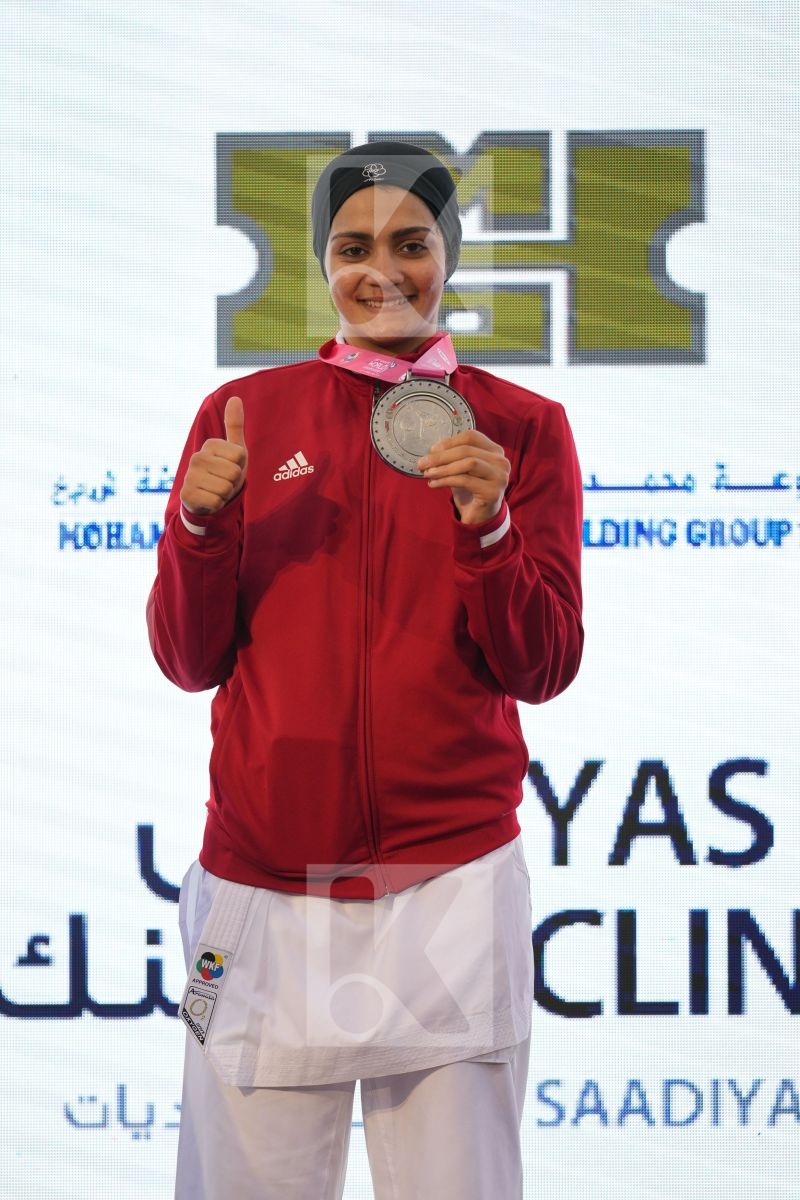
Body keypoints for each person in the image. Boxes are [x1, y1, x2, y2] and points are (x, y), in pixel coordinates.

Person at [147, 141, 583, 1199]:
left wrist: (486, 530)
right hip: (261, 886)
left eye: (409, 243)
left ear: (449, 256)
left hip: (450, 887)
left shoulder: (520, 429)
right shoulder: (245, 416)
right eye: (351, 246)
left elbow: (544, 666)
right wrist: (199, 523)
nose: (380, 271)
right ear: (321, 263)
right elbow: (185, 657)